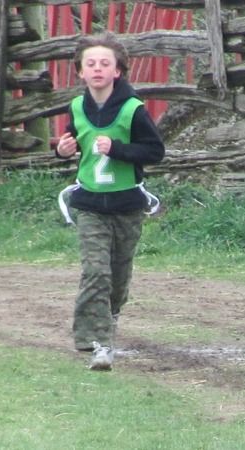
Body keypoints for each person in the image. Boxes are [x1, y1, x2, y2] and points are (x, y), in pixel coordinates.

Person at [55, 32, 165, 370]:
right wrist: (62, 150)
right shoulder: (77, 107)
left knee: (117, 277)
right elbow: (74, 143)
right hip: (89, 205)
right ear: (80, 71)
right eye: (91, 64)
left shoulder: (133, 109)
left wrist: (117, 149)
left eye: (105, 63)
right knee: (95, 272)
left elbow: (155, 151)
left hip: (127, 206)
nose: (97, 68)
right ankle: (97, 342)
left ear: (118, 71)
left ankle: (110, 315)